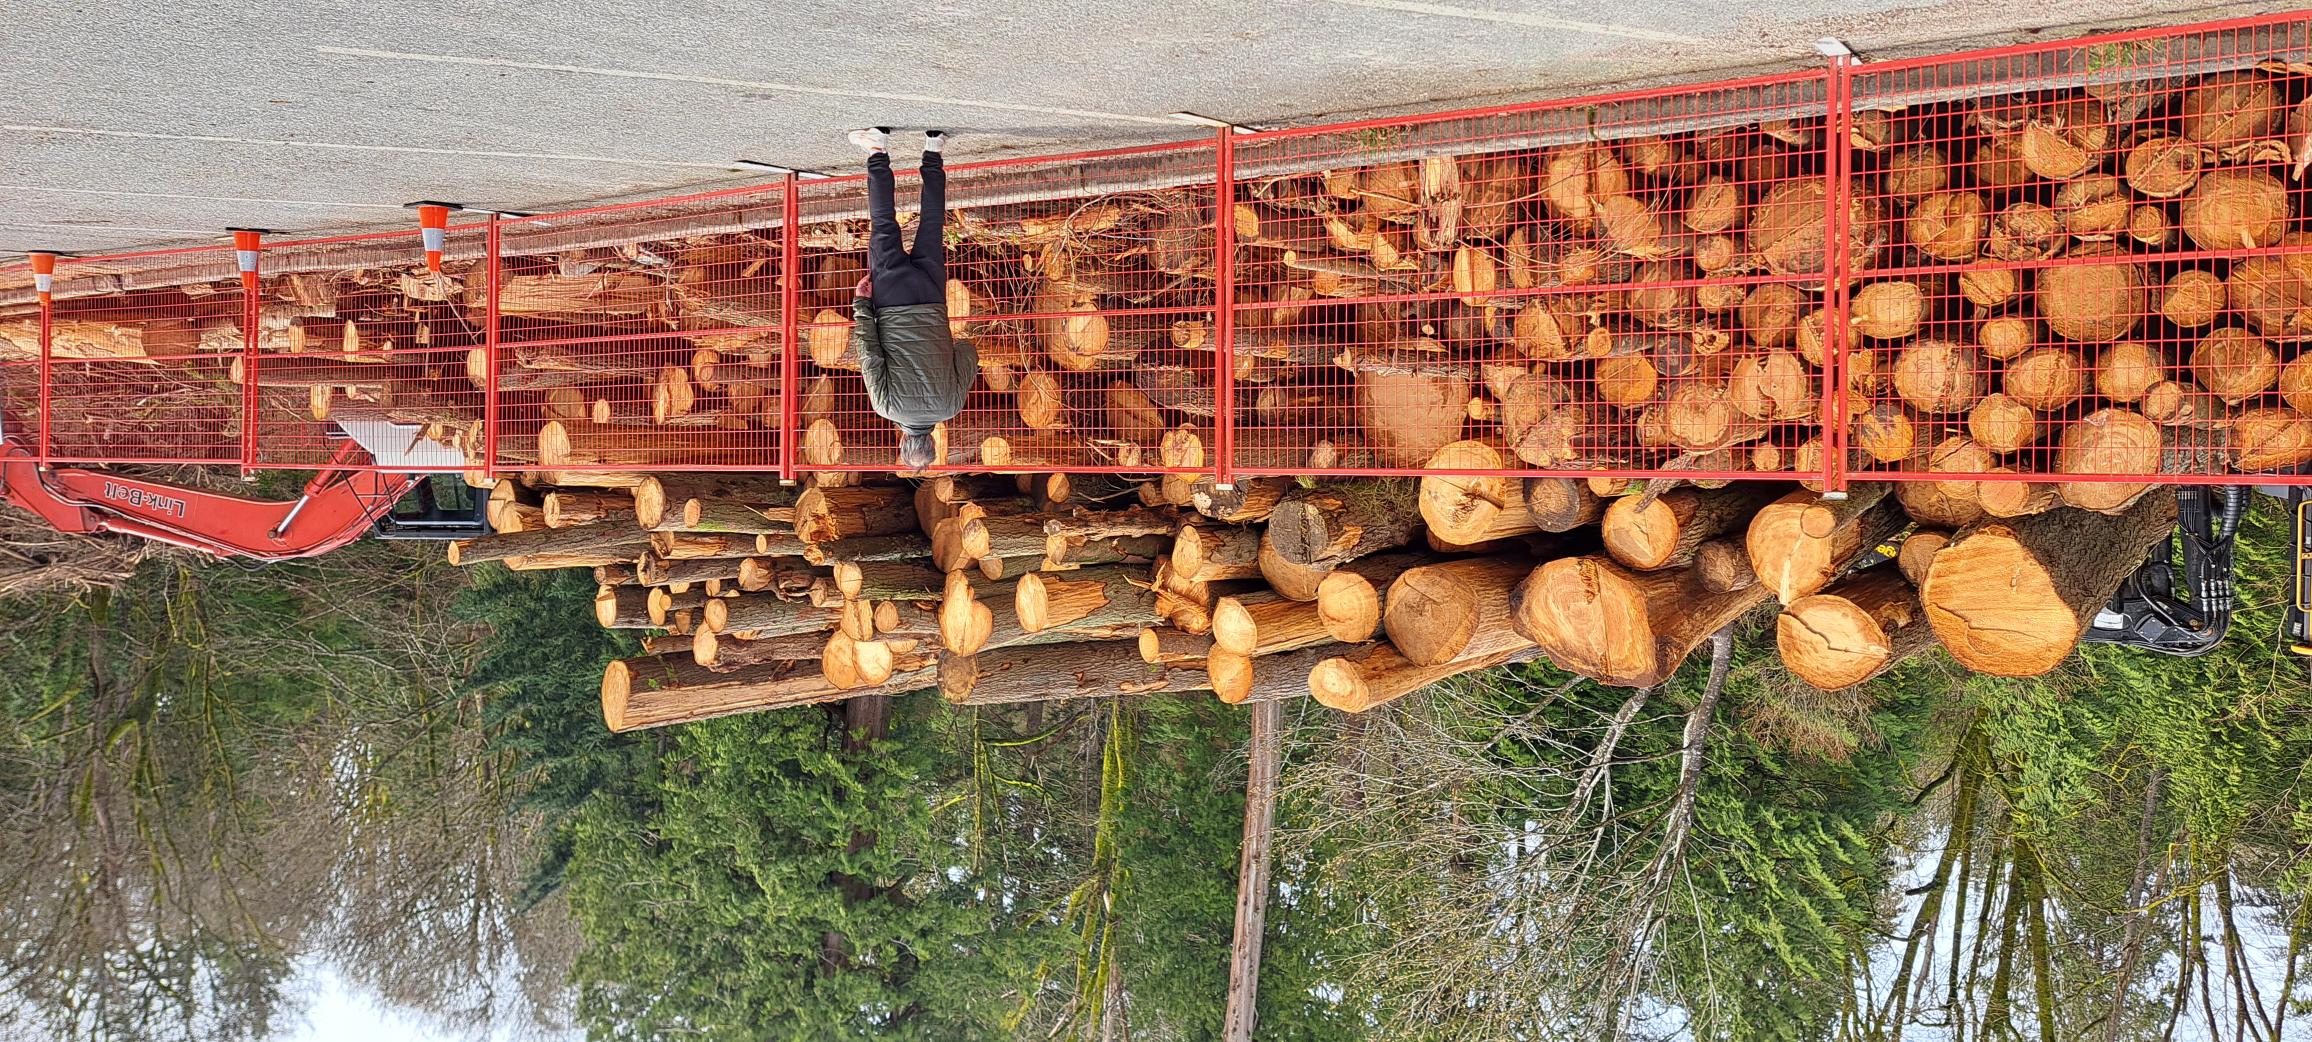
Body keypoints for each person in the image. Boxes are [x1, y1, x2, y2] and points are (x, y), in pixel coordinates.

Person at [847, 126, 975, 470]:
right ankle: (877, 149)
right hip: (890, 302)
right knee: (884, 224)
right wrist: (861, 305)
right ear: (904, 440)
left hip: (932, 299)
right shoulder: (887, 408)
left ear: (932, 439)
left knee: (932, 224)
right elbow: (870, 355)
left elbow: (966, 351)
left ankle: (934, 149)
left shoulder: (950, 406)